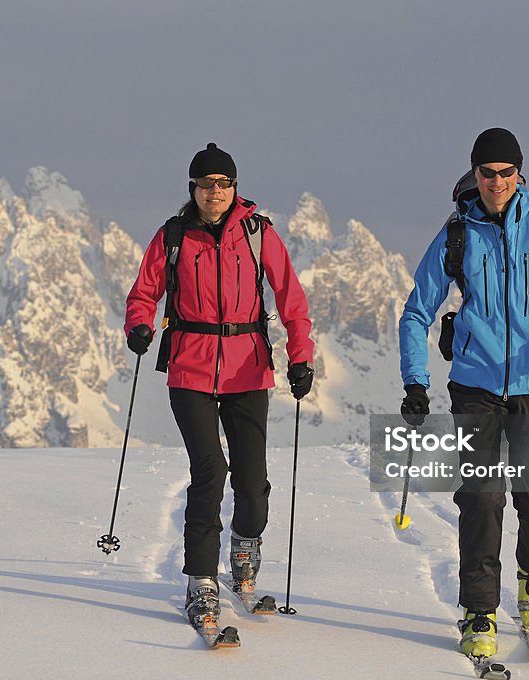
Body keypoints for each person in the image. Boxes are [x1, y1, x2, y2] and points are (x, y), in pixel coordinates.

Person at [397, 128, 529, 659]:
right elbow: (416, 312)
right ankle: (478, 612)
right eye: (487, 173)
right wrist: (416, 381)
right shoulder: (457, 233)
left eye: (505, 173)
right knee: (481, 498)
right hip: (475, 386)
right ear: (474, 174)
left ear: (520, 174)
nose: (496, 182)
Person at [124, 142, 315, 632]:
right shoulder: (173, 236)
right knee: (210, 471)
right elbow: (145, 291)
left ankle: (246, 553)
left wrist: (300, 357)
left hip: (247, 370)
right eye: (206, 184)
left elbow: (290, 296)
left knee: (253, 480)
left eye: (224, 184)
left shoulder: (257, 233)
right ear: (193, 187)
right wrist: (139, 326)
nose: (215, 192)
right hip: (189, 368)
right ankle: (202, 579)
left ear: (235, 188)